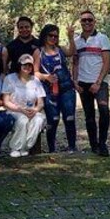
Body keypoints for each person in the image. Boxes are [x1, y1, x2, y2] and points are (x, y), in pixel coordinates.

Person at [33, 23, 78, 153]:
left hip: (66, 88)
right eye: (50, 35)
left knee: (69, 118)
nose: (53, 38)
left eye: (56, 36)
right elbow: (35, 73)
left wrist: (70, 37)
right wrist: (46, 77)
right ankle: (52, 149)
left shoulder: (60, 49)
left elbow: (72, 52)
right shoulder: (39, 52)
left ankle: (72, 147)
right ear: (44, 36)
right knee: (53, 120)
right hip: (49, 90)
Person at [73, 10, 110, 156]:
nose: (87, 22)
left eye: (90, 20)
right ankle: (93, 144)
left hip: (99, 82)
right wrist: (75, 81)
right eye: (84, 20)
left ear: (95, 21)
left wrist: (98, 82)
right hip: (83, 82)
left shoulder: (103, 39)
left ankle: (102, 143)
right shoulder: (77, 41)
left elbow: (107, 62)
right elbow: (75, 63)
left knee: (104, 111)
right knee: (89, 115)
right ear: (80, 22)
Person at [2, 54, 47, 157]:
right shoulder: (10, 79)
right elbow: (6, 101)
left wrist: (35, 110)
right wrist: (21, 110)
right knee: (23, 120)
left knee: (38, 120)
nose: (27, 67)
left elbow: (41, 102)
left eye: (29, 65)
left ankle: (26, 146)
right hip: (14, 110)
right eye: (24, 65)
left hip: (31, 111)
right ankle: (16, 147)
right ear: (19, 65)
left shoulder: (35, 80)